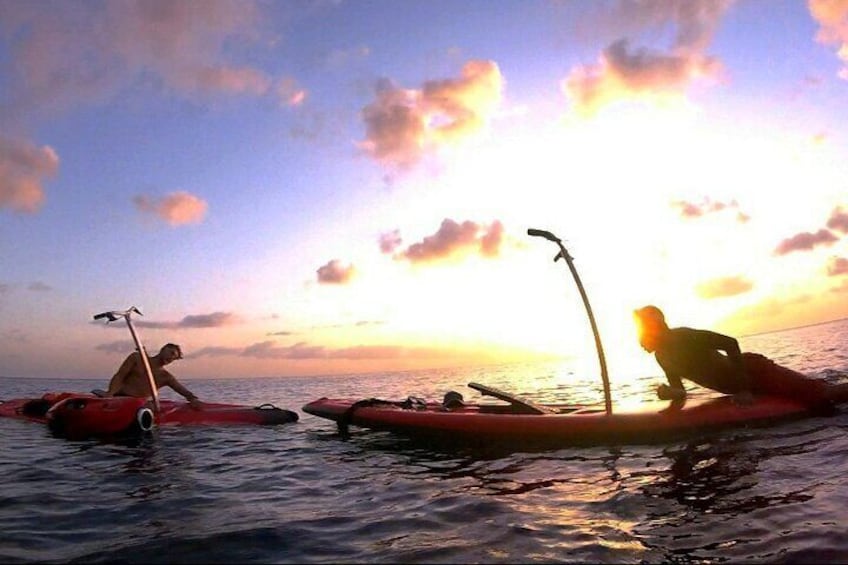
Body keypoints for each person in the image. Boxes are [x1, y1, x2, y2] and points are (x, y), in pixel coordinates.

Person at [633, 305, 848, 409]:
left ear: (657, 327)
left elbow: (730, 343)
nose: (639, 339)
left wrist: (743, 388)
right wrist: (670, 392)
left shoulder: (684, 336)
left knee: (824, 394)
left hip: (755, 371)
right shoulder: (662, 357)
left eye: (642, 331)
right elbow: (680, 391)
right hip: (741, 386)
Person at [106, 343, 202, 408]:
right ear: (163, 349)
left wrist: (193, 398)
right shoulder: (137, 358)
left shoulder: (165, 376)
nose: (172, 357)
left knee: (149, 407)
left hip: (138, 404)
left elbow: (181, 389)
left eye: (174, 358)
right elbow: (119, 376)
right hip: (120, 397)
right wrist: (110, 394)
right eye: (171, 353)